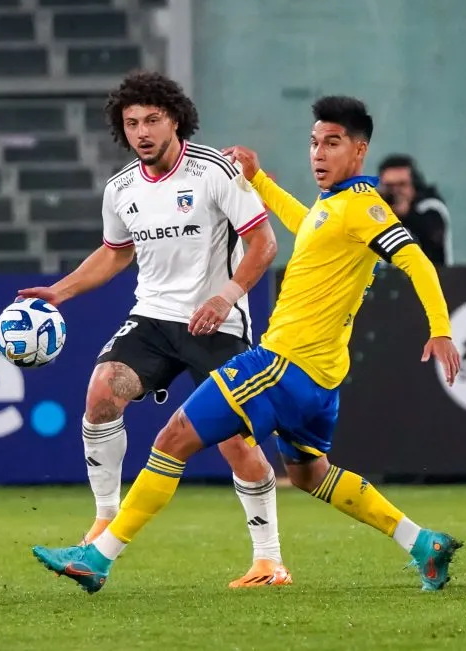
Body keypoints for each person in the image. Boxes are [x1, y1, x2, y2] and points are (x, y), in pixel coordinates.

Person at [30, 96, 463, 595]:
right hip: (320, 378)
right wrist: (261, 181)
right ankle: (420, 541)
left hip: (282, 365)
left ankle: (98, 557)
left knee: (173, 439)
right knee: (310, 476)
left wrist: (440, 328)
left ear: (360, 150)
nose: (318, 154)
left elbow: (415, 260)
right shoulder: (338, 207)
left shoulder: (366, 208)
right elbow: (306, 227)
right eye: (314, 142)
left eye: (333, 143)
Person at [17, 71, 292, 588]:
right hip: (153, 320)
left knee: (235, 444)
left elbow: (264, 245)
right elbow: (116, 253)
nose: (141, 131)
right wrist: (61, 291)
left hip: (219, 325)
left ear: (175, 120)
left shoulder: (216, 171)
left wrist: (226, 295)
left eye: (152, 120)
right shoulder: (121, 188)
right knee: (101, 392)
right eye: (131, 123)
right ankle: (102, 522)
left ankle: (268, 560)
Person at [377, 154, 451, 266]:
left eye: (402, 185)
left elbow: (432, 239)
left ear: (414, 185)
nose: (396, 191)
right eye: (390, 186)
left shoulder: (431, 207)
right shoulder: (377, 211)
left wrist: (407, 215)